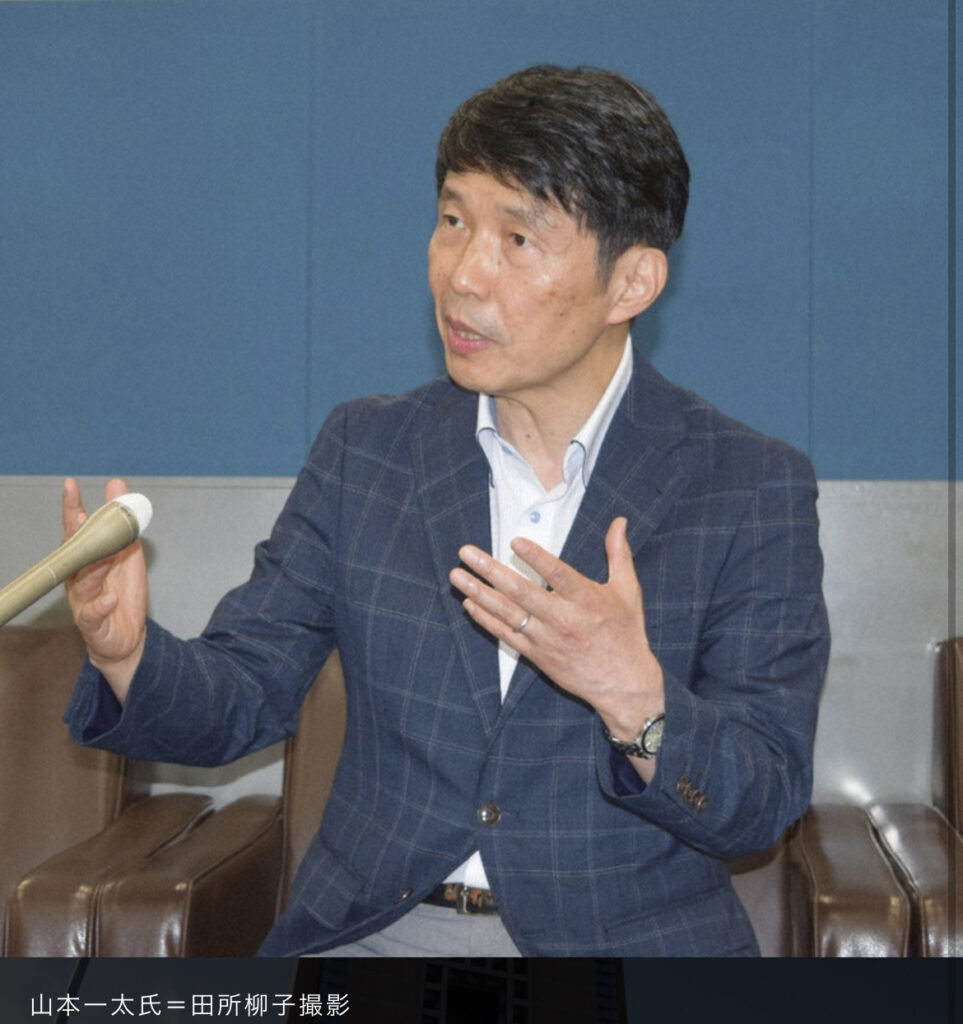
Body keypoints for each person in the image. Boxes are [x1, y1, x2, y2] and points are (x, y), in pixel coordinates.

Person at [62, 65, 829, 957]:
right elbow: (244, 694)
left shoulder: (747, 486)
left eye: (518, 238)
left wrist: (634, 696)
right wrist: (125, 655)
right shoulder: (369, 451)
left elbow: (760, 802)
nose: (463, 275)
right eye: (453, 221)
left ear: (631, 283)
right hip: (376, 932)